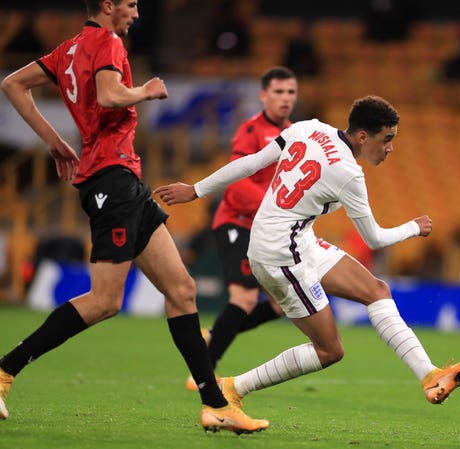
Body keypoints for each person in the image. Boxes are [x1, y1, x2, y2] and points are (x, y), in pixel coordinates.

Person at [0, 0, 267, 435]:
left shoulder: (68, 49)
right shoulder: (107, 41)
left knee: (181, 289)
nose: (136, 14)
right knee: (105, 301)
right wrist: (145, 90)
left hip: (123, 181)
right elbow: (108, 95)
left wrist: (54, 141)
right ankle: (4, 371)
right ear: (108, 6)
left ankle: (215, 404)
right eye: (130, 4)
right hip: (111, 182)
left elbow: (13, 84)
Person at [155, 95, 460, 412]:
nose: (390, 147)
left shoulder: (308, 127)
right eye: (387, 139)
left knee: (376, 291)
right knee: (329, 350)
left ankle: (429, 375)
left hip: (294, 239)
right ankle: (234, 388)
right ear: (364, 136)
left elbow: (252, 162)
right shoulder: (349, 174)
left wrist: (195, 189)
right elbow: (374, 238)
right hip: (280, 254)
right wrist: (414, 227)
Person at [184, 66, 297, 392]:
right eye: (278, 92)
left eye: (290, 92)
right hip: (237, 222)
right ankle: (204, 372)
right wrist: (275, 205)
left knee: (280, 305)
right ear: (264, 96)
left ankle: (215, 334)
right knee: (245, 298)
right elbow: (237, 182)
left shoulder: (295, 133)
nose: (285, 98)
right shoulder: (250, 130)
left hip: (267, 228)